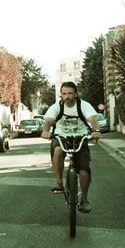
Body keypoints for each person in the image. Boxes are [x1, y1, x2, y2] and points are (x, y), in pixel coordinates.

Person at [41, 81, 101, 213]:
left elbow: (92, 119)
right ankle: (59, 183)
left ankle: (84, 200)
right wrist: (46, 131)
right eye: (64, 94)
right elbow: (48, 121)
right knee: (57, 150)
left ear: (76, 94)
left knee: (84, 171)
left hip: (80, 137)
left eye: (70, 93)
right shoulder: (57, 106)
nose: (67, 96)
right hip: (61, 136)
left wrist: (96, 130)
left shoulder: (84, 105)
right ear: (61, 95)